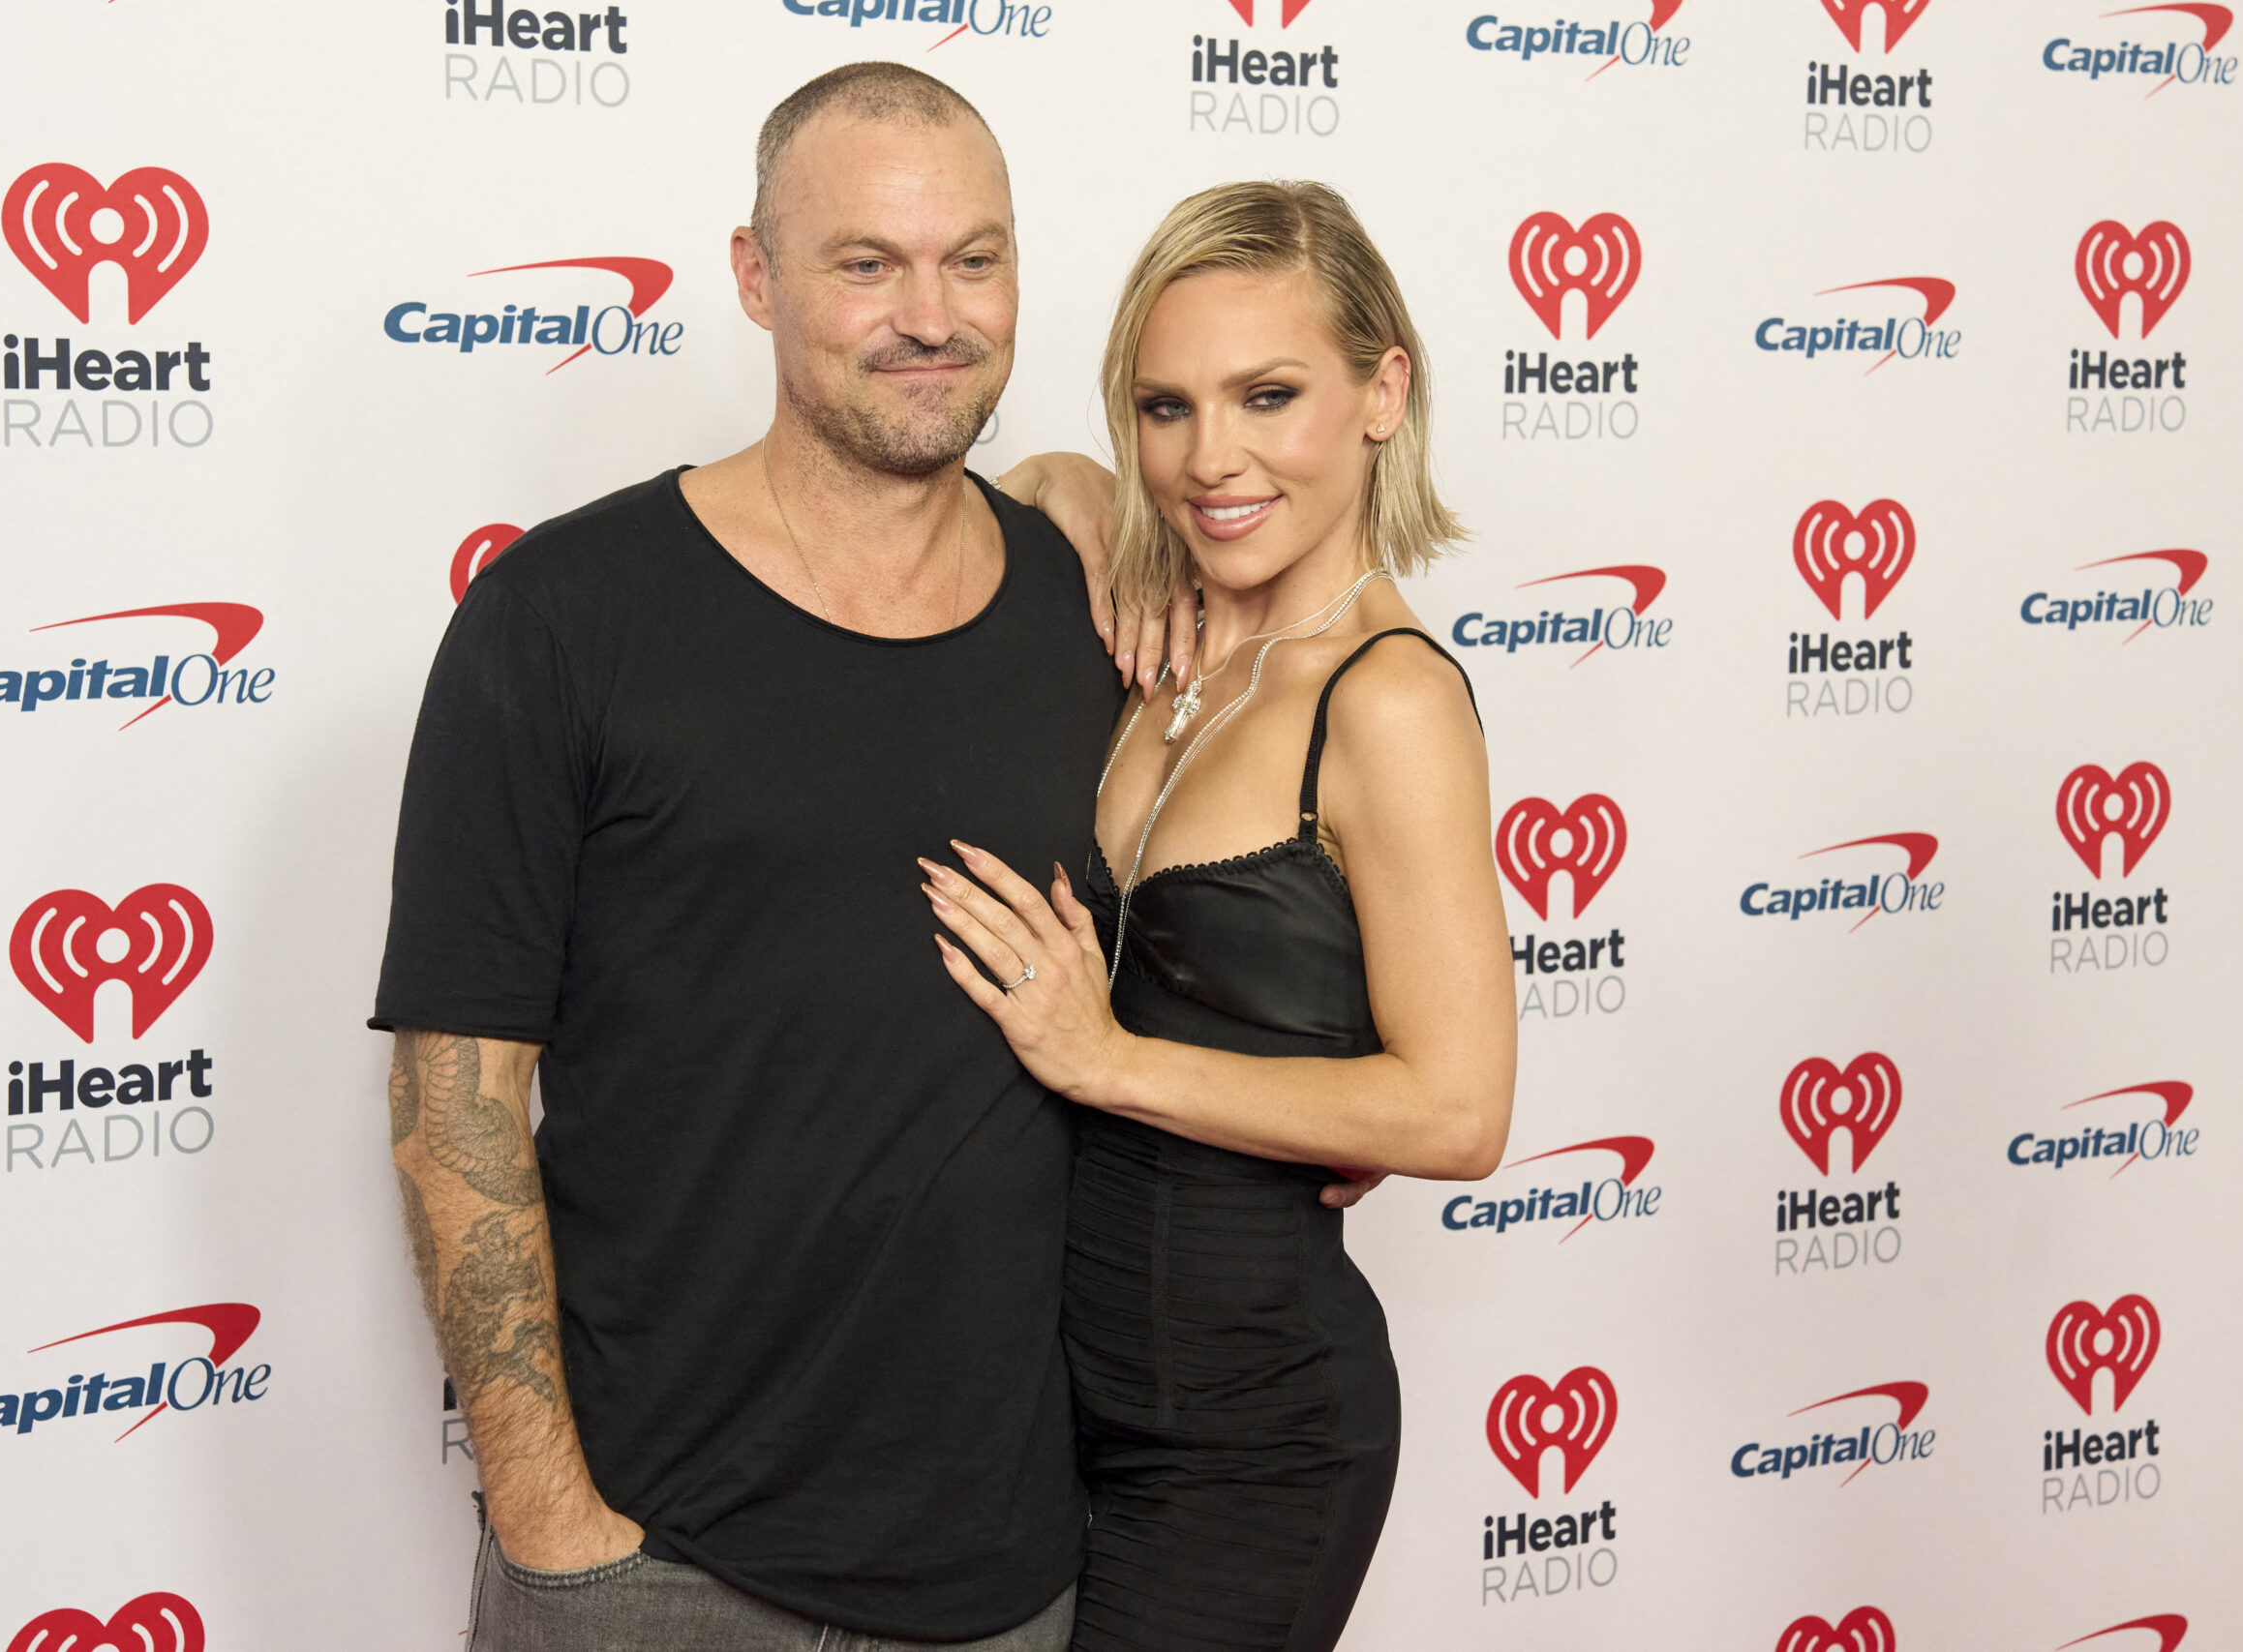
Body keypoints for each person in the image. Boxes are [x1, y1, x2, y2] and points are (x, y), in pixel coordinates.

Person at [372, 63, 1352, 1651]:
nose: (932, 315)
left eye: (975, 259)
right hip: (657, 1567)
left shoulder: (1100, 611)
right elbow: (452, 1101)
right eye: (865, 264)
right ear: (755, 278)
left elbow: (1218, 948)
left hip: (1010, 1574)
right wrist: (558, 1533)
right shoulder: (562, 619)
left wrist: (1308, 1106)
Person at [922, 181, 1518, 1652]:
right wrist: (1072, 477)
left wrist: (1106, 1058)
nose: (1213, 458)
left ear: (1385, 392)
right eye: (1165, 407)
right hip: (1054, 1407)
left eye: (1269, 395)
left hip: (1252, 1431)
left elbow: (1458, 1114)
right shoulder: (1162, 627)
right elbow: (1053, 489)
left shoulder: (1388, 701)